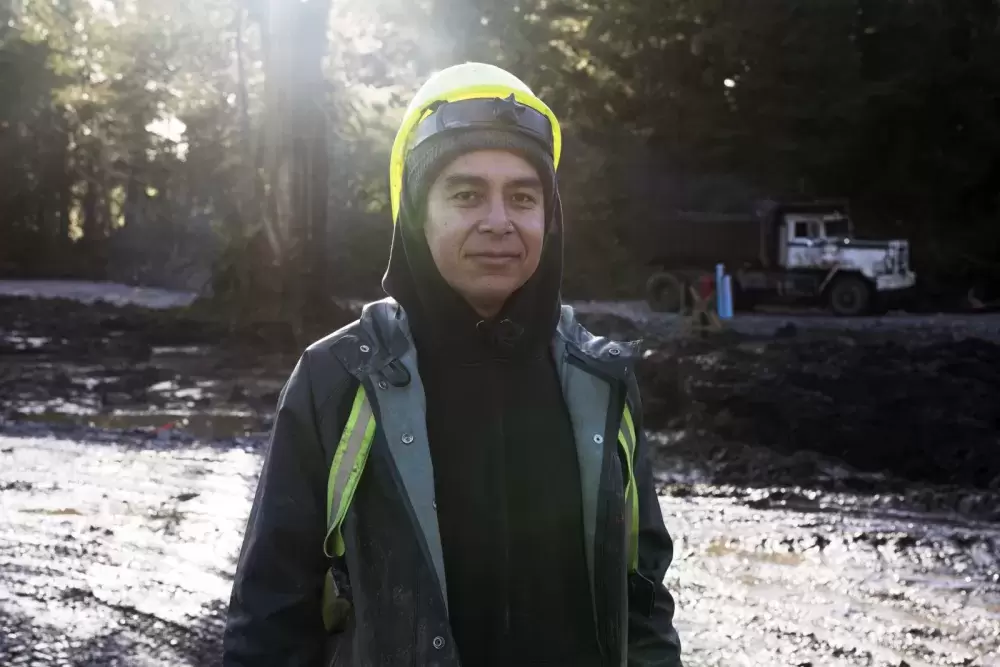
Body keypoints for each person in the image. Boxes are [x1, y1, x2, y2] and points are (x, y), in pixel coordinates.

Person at [222, 62, 683, 667]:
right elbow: (271, 620)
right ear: (416, 211)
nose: (499, 221)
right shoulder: (338, 382)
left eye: (523, 196)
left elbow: (643, 602)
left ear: (550, 216)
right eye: (466, 194)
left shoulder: (603, 383)